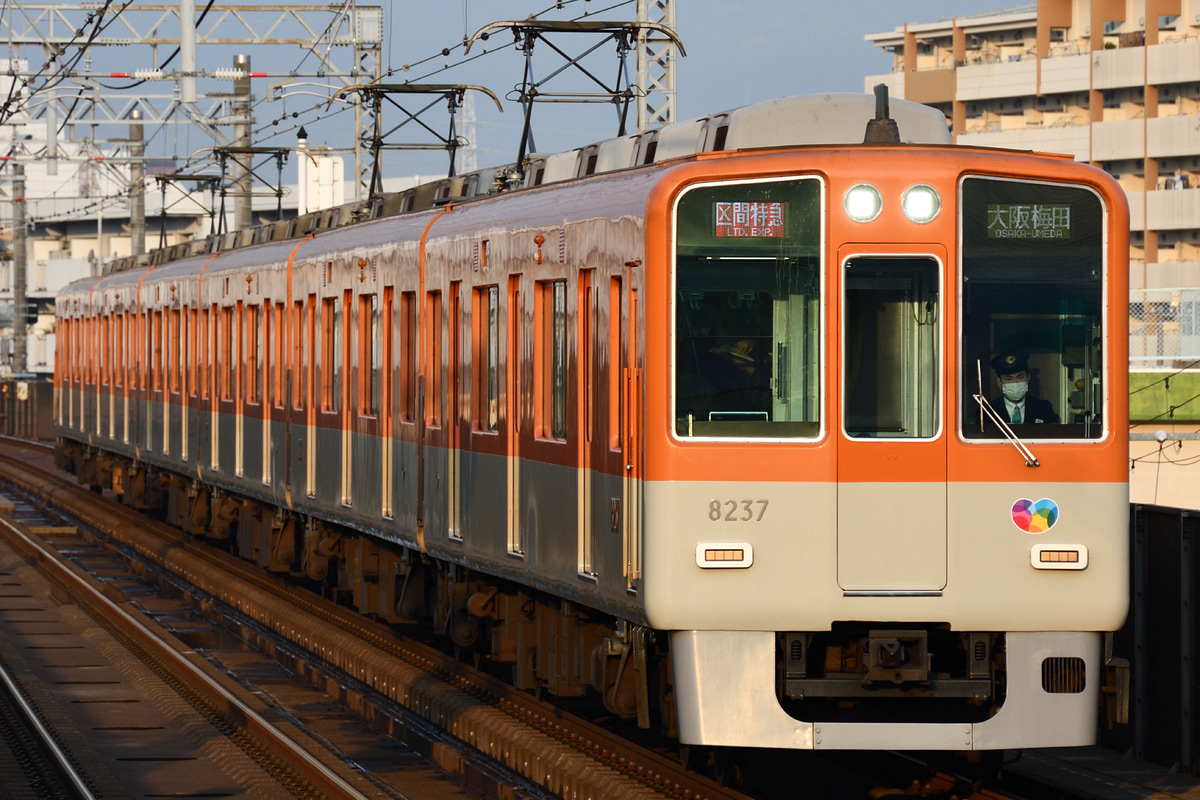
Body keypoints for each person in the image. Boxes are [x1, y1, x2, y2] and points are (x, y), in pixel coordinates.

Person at [990, 351, 1058, 424]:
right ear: (999, 382)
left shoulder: (1043, 408)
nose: (1015, 383)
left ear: (1028, 378)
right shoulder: (988, 410)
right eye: (1009, 379)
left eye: (1020, 377)